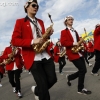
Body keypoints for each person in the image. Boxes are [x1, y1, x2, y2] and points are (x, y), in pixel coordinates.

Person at [11, 0, 57, 100]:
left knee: (53, 79)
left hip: (45, 55)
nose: (36, 7)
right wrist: (32, 41)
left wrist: (48, 35)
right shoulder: (20, 22)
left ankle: (37, 90)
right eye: (33, 5)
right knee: (43, 85)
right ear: (26, 7)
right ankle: (41, 91)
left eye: (37, 6)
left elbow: (43, 38)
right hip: (33, 57)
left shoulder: (40, 21)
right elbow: (14, 41)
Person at [60, 15, 91, 95]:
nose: (71, 20)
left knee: (83, 70)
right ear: (66, 22)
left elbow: (78, 41)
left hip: (79, 52)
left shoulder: (75, 31)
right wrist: (73, 43)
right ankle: (80, 89)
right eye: (69, 19)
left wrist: (81, 46)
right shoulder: (63, 31)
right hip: (72, 53)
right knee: (82, 70)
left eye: (72, 19)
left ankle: (70, 77)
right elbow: (63, 42)